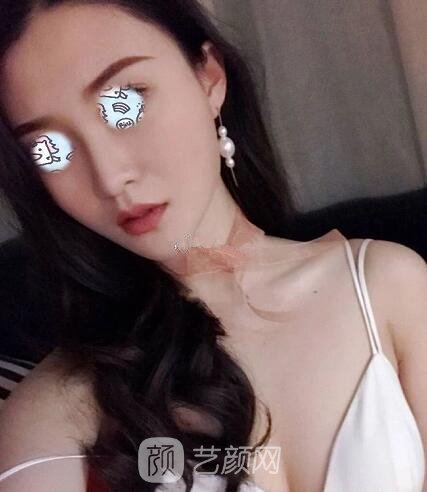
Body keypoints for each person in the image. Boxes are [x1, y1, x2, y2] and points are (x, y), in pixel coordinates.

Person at [0, 1, 426, 491]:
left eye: (124, 105)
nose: (111, 177)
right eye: (50, 149)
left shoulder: (387, 285)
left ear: (209, 78)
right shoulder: (55, 409)